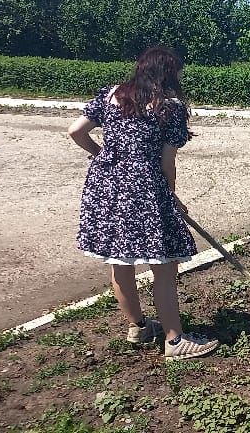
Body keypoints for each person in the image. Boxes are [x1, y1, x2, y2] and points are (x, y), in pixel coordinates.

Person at [68, 46, 219, 360]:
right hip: (145, 189)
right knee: (163, 266)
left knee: (120, 262)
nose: (181, 77)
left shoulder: (111, 95)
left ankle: (138, 327)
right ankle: (175, 341)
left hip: (104, 187)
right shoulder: (169, 107)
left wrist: (105, 158)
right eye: (178, 71)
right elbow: (167, 164)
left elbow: (75, 131)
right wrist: (171, 196)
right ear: (168, 73)